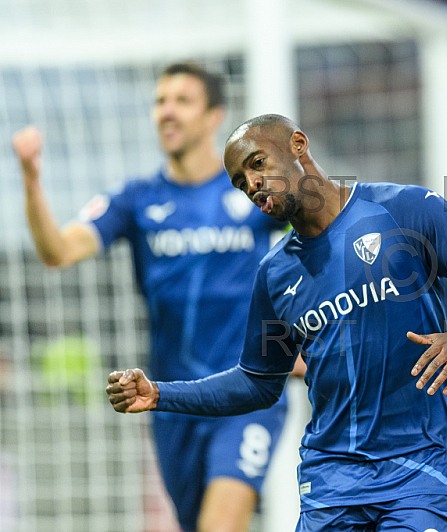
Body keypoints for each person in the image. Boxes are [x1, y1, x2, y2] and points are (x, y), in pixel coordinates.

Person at [106, 114, 447, 531]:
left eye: (257, 164)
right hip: (332, 483)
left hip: (418, 468)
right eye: (240, 182)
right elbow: (258, 382)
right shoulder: (275, 274)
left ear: (298, 145)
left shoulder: (404, 210)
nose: (252, 185)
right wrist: (160, 393)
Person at [13, 63, 296, 532]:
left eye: (182, 101)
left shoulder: (252, 192)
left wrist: (307, 330)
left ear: (213, 118)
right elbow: (57, 252)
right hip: (171, 399)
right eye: (160, 100)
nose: (167, 111)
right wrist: (30, 179)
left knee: (220, 525)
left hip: (246, 393)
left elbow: (319, 240)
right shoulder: (137, 199)